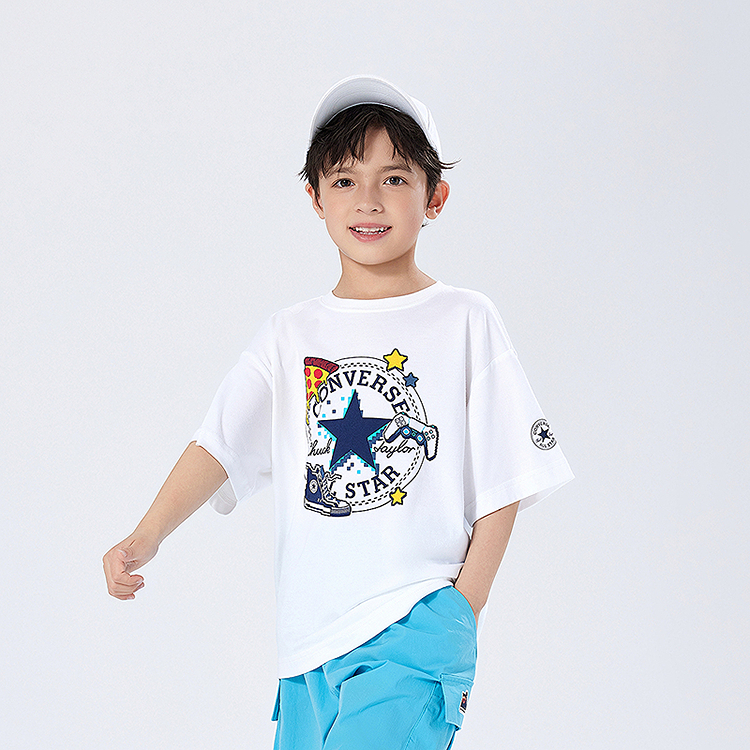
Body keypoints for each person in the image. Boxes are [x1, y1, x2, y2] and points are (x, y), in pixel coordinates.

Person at [103, 75, 574, 749]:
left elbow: (509, 476)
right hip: (305, 649)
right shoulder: (289, 335)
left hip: (414, 625)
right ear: (315, 198)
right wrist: (144, 537)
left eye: (395, 179)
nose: (369, 200)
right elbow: (219, 445)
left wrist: (461, 609)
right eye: (345, 180)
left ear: (435, 198)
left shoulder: (464, 320)